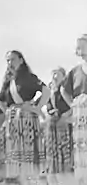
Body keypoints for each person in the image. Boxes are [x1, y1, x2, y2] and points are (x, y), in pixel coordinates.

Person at [0, 50, 50, 185]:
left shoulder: (29, 77)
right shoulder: (8, 80)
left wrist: (36, 107)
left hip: (27, 119)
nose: (10, 63)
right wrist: (8, 112)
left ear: (21, 60)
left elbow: (46, 91)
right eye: (8, 60)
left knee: (29, 150)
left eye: (13, 59)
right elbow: (0, 99)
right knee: (15, 151)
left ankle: (32, 179)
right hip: (13, 121)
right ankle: (18, 180)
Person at [61, 35, 87, 184]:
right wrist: (73, 104)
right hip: (80, 112)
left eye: (82, 44)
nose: (79, 48)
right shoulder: (75, 71)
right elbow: (64, 89)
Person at [42, 67, 74, 185]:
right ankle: (53, 172)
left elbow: (72, 105)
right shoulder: (50, 90)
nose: (54, 77)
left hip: (65, 124)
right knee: (52, 151)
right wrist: (51, 113)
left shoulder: (67, 89)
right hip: (52, 126)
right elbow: (46, 106)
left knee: (66, 150)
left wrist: (65, 115)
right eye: (53, 74)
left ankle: (67, 171)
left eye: (57, 74)